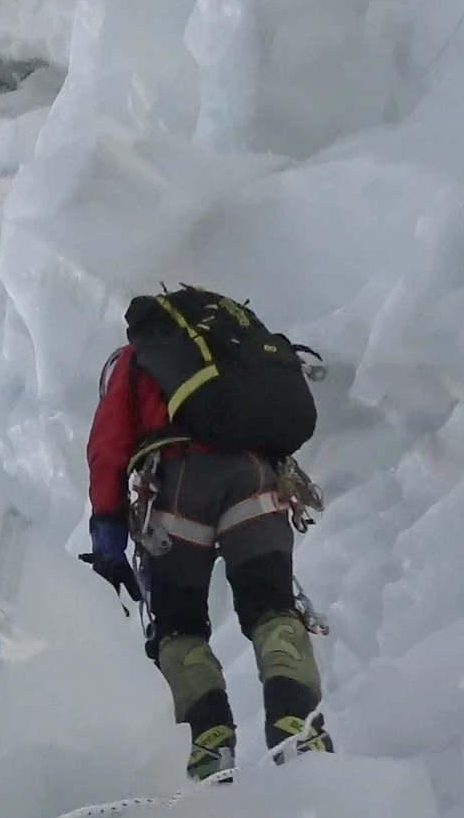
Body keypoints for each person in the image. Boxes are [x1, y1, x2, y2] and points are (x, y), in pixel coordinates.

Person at [81, 288, 333, 783]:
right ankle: (297, 721)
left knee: (179, 628)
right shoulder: (234, 356)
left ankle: (208, 738)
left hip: (178, 487)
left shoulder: (135, 363)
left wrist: (107, 527)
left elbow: (108, 446)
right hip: (256, 479)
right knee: (272, 607)